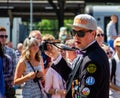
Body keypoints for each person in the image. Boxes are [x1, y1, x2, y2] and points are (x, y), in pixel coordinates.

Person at [45, 14, 110, 98]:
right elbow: (73, 79)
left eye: (80, 33)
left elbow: (86, 94)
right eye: (73, 32)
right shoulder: (89, 53)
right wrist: (56, 56)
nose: (75, 36)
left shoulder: (92, 59)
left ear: (93, 34)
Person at [0, 26, 16, 98]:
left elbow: (13, 72)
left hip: (7, 88)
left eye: (5, 36)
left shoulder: (11, 52)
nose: (4, 38)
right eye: (1, 36)